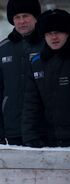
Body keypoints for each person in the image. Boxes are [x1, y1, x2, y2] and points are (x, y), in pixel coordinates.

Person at [0, 0, 43, 145]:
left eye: (26, 16)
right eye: (17, 17)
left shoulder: (47, 45)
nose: (21, 21)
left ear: (36, 17)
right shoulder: (2, 48)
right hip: (13, 128)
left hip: (44, 129)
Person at [22, 9, 70, 148]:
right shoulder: (37, 63)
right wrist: (30, 136)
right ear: (44, 35)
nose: (54, 37)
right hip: (47, 141)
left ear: (67, 33)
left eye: (58, 32)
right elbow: (31, 103)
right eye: (49, 33)